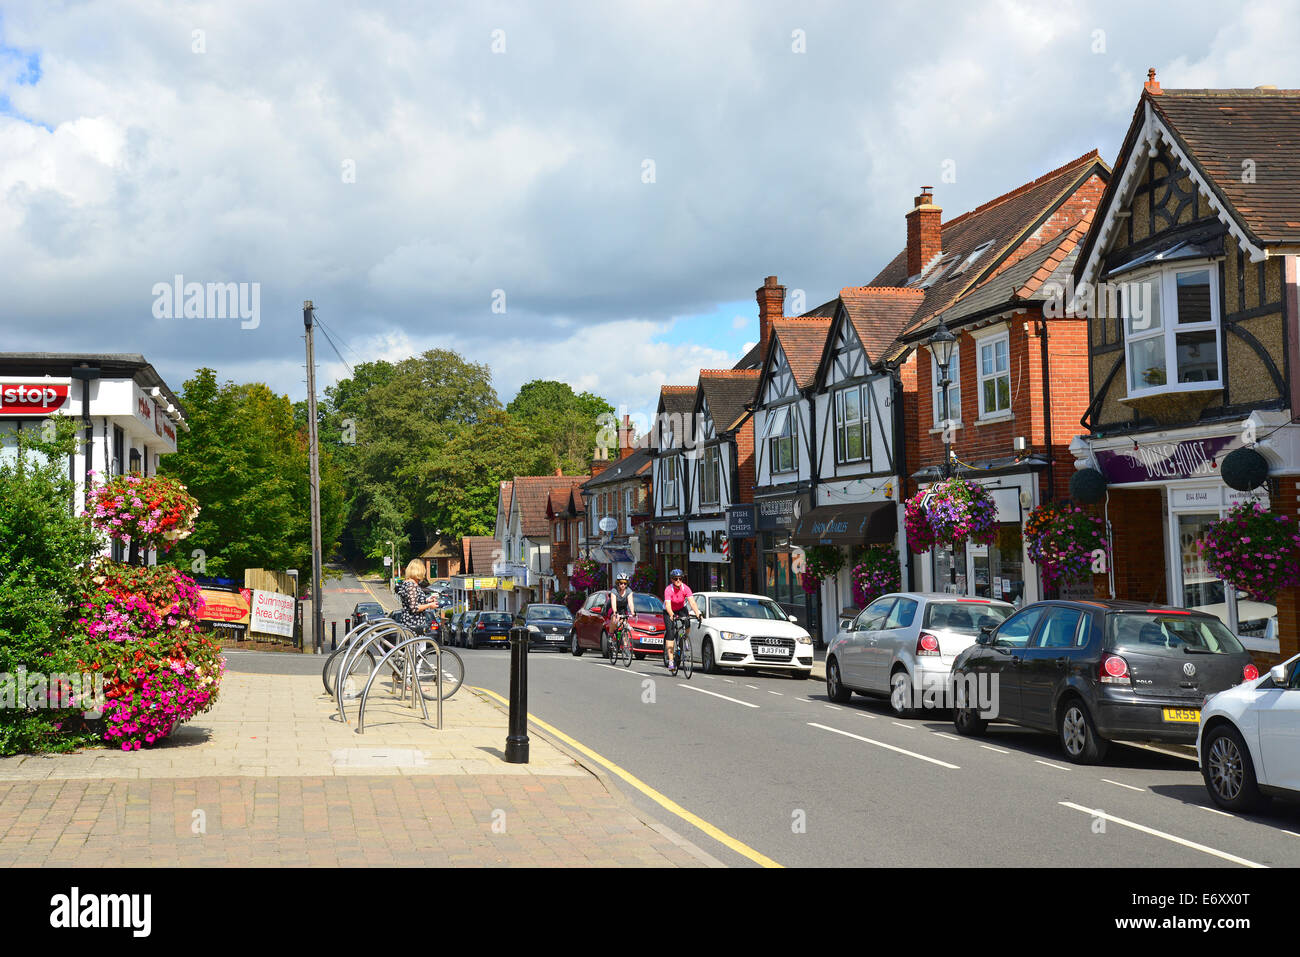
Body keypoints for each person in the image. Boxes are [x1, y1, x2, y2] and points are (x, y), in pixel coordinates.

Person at [662, 569, 701, 674]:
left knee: (687, 622)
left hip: (681, 608)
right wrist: (672, 615)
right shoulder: (668, 590)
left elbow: (692, 602)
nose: (678, 580)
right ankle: (670, 660)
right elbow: (668, 605)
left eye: (680, 578)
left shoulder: (686, 588)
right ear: (671, 580)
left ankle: (683, 640)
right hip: (668, 610)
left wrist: (697, 613)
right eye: (675, 579)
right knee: (670, 633)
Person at [395, 559, 438, 635]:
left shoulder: (410, 583)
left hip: (413, 623)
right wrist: (429, 605)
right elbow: (414, 608)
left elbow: (413, 601)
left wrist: (427, 600)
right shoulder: (411, 585)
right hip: (413, 624)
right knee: (417, 646)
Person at [611, 573, 635, 653]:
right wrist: (615, 612)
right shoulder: (614, 590)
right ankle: (611, 636)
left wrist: (633, 612)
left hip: (623, 608)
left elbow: (630, 603)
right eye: (621, 583)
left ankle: (625, 647)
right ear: (617, 583)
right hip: (614, 608)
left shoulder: (629, 591)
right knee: (614, 619)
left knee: (624, 625)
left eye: (625, 583)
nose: (623, 585)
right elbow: (613, 603)